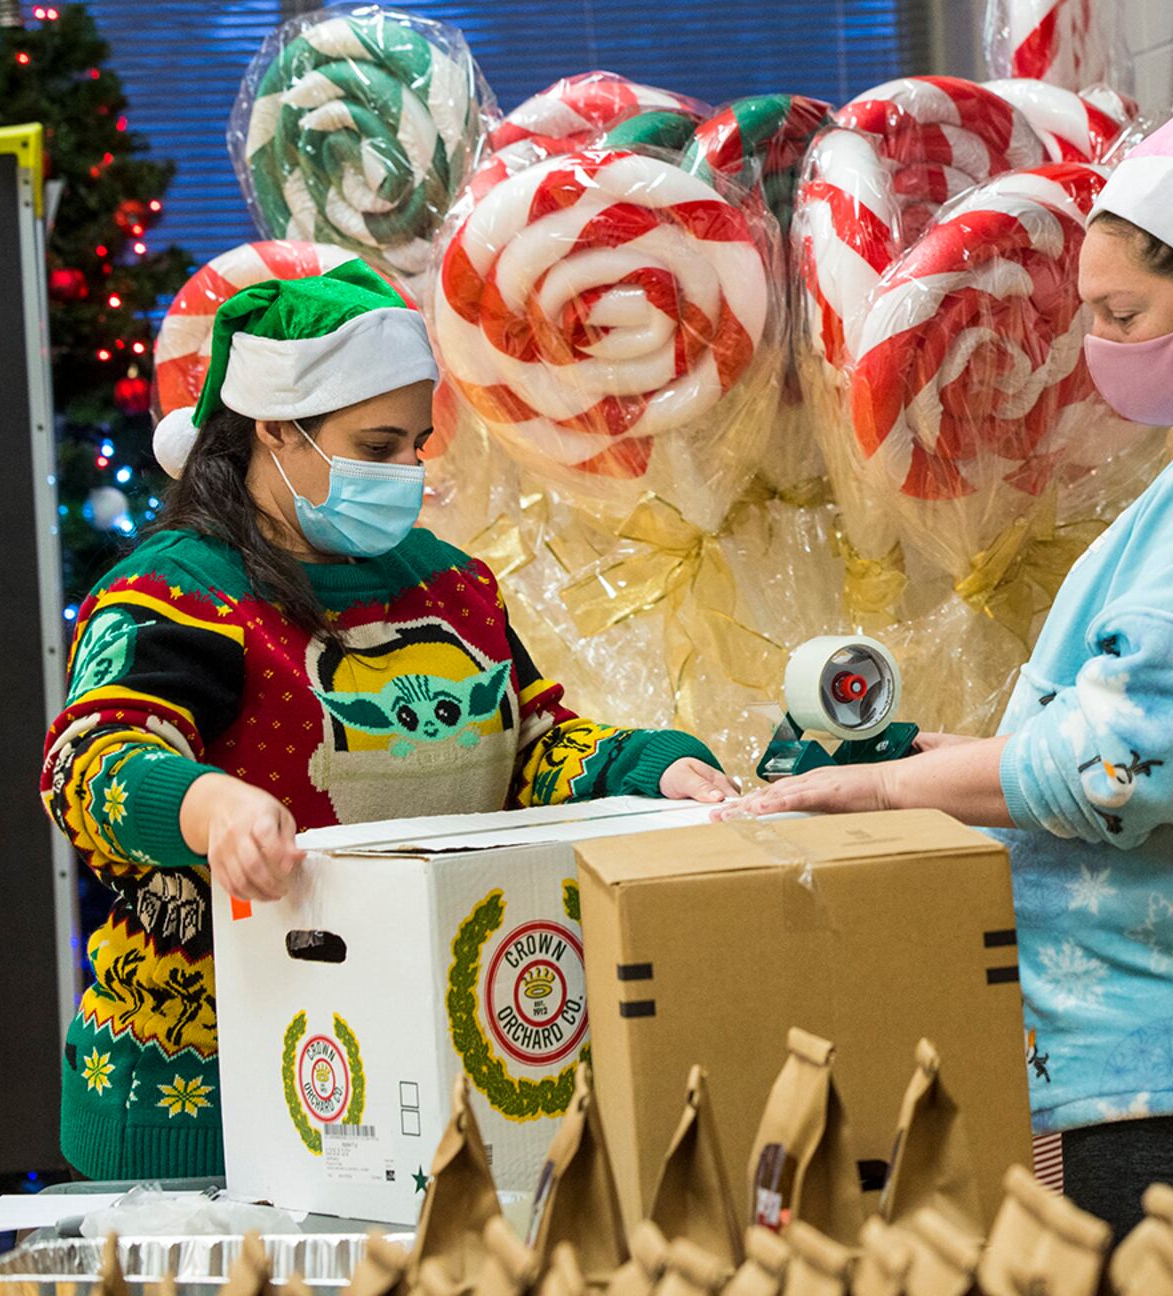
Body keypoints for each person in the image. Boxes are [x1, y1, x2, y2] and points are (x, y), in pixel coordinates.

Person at [724, 105, 1173, 1293]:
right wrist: (970, 754)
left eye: (1123, 317)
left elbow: (1126, 768)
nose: (1101, 347)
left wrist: (884, 785)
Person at [42, 261, 735, 1181]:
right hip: (210, 1100)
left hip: (429, 1065)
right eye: (375, 445)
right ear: (276, 430)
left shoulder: (448, 583)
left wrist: (647, 766)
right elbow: (91, 763)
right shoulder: (173, 594)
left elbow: (530, 749)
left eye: (416, 442)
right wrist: (209, 807)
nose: (407, 471)